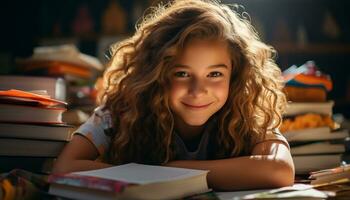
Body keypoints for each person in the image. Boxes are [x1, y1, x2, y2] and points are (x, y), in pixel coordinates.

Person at [53, 0, 294, 190]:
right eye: (181, 73)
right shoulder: (121, 109)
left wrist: (168, 171)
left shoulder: (245, 109)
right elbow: (64, 168)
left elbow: (279, 170)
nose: (198, 90)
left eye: (214, 74)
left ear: (236, 74)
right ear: (156, 73)